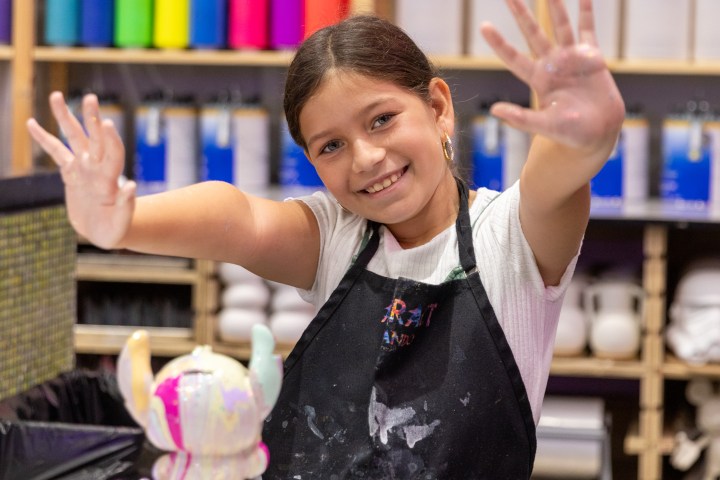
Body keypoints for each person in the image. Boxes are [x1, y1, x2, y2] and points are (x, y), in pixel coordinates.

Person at [27, 0, 625, 477]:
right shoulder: (338, 237)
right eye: (330, 146)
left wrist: (586, 131)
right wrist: (120, 223)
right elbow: (238, 218)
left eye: (382, 119)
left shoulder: (511, 238)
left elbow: (557, 176)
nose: (366, 158)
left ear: (438, 107)